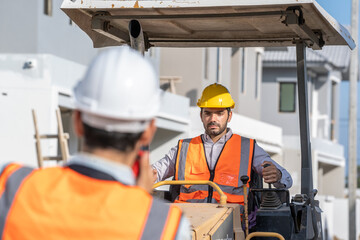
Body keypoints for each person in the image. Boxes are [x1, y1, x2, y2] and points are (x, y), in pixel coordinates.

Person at [0, 47, 190, 240]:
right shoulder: (165, 226)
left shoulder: (11, 185)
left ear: (77, 121)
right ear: (148, 132)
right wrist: (140, 203)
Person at [152, 83, 292, 205]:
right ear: (201, 116)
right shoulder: (183, 148)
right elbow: (154, 172)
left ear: (229, 116)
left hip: (232, 226)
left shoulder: (248, 148)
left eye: (219, 113)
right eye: (208, 113)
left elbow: (287, 180)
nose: (213, 119)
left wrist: (277, 175)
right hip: (188, 222)